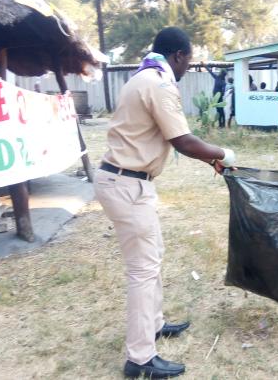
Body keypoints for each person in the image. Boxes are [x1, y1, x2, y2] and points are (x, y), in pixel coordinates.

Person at [94, 27, 236, 378]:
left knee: (152, 256)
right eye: (188, 59)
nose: (188, 67)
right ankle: (140, 358)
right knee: (143, 270)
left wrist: (211, 160)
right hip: (128, 185)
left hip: (125, 181)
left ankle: (154, 324)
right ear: (178, 56)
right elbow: (184, 141)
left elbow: (173, 140)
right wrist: (225, 154)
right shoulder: (158, 82)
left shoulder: (142, 77)